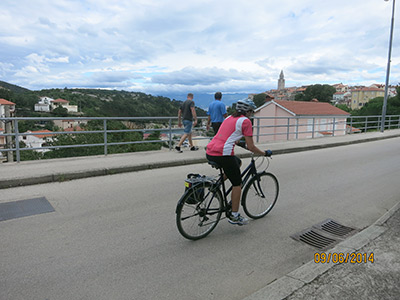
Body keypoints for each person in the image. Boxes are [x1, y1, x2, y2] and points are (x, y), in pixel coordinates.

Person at [206, 98, 271, 225]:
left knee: (237, 162)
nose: (251, 114)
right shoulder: (246, 122)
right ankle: (234, 215)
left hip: (210, 151)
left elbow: (230, 137)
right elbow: (252, 147)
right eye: (251, 112)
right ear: (247, 112)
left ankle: (217, 185)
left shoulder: (229, 118)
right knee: (237, 184)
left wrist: (241, 144)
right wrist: (264, 153)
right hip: (223, 154)